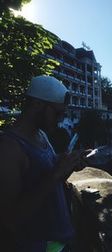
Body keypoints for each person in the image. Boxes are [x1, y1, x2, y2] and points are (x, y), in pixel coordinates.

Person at [0, 75, 91, 252]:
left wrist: (68, 166)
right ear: (36, 105)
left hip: (58, 243)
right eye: (57, 113)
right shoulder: (8, 148)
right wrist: (56, 173)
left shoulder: (41, 135)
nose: (60, 118)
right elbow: (10, 218)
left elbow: (49, 182)